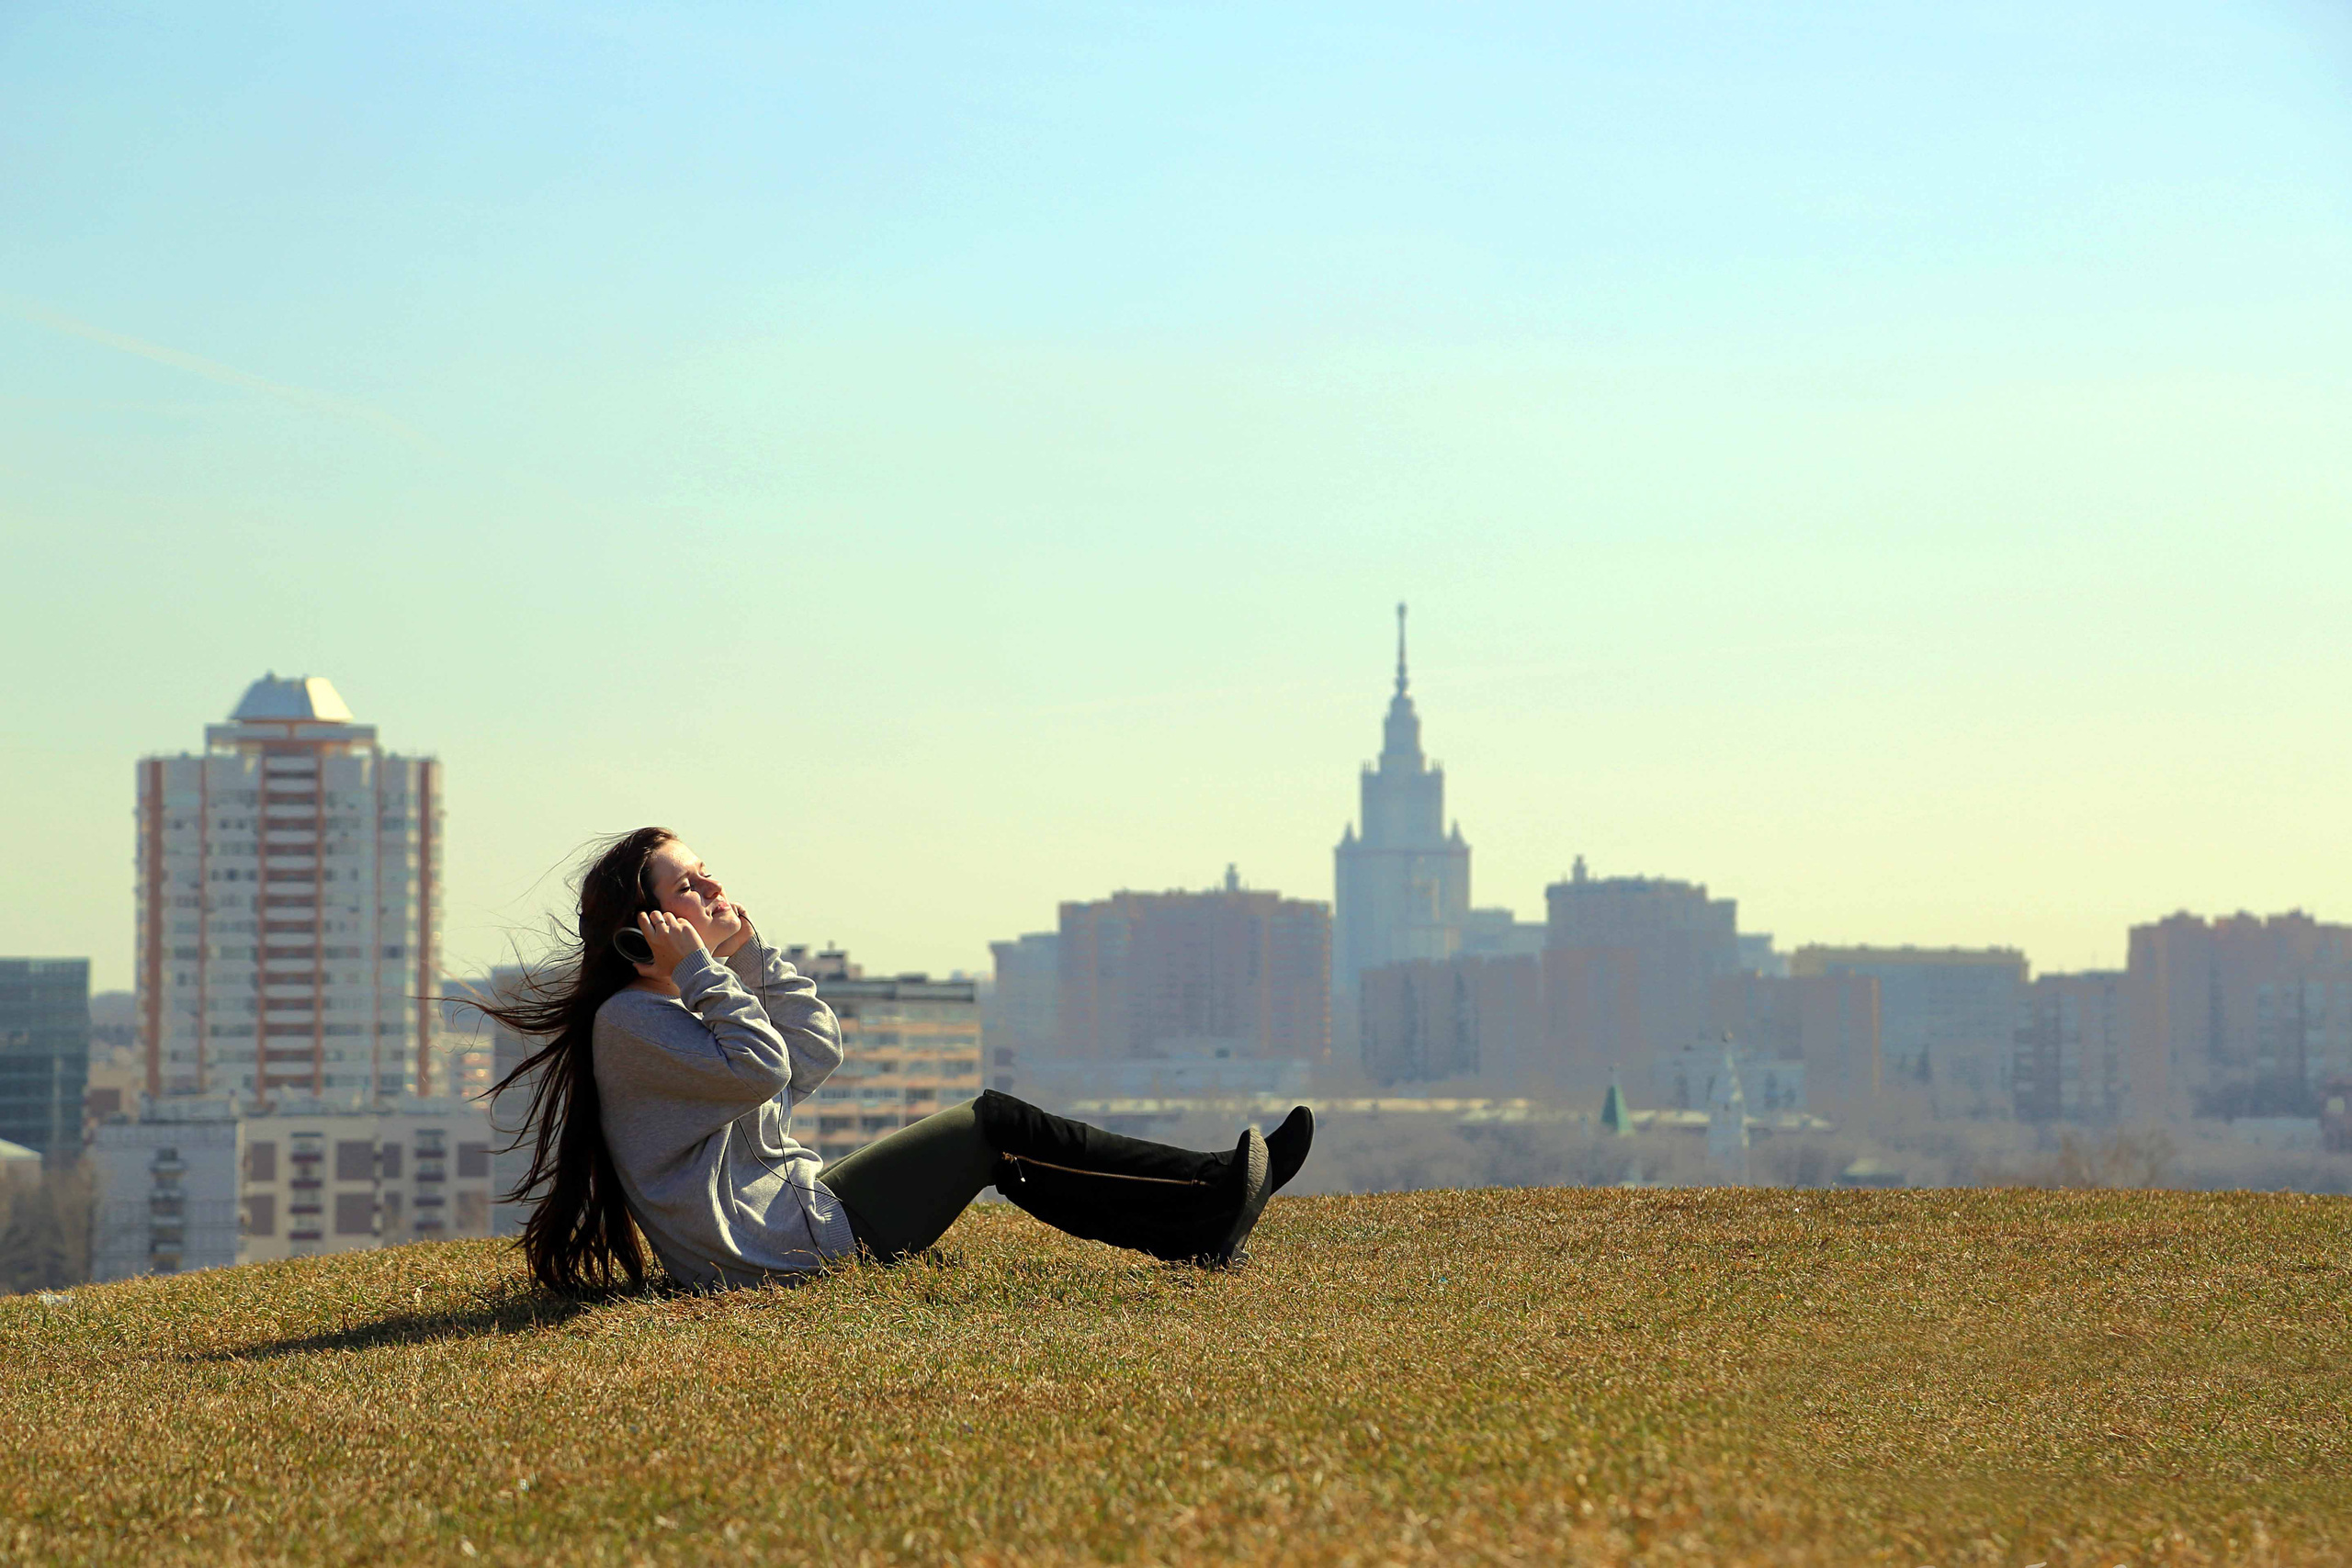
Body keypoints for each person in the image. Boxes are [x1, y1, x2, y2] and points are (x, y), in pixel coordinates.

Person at [482, 828, 1314, 1293]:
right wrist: (705, 968)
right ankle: (1208, 1194)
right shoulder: (635, 1019)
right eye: (688, 889)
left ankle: (1200, 1213)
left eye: (709, 874)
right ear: (644, 931)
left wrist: (751, 956)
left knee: (1004, 1149)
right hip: (783, 1249)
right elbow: (763, 1070)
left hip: (800, 1218)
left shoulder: (685, 999)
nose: (713, 890)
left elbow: (813, 1053)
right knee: (995, 1126)